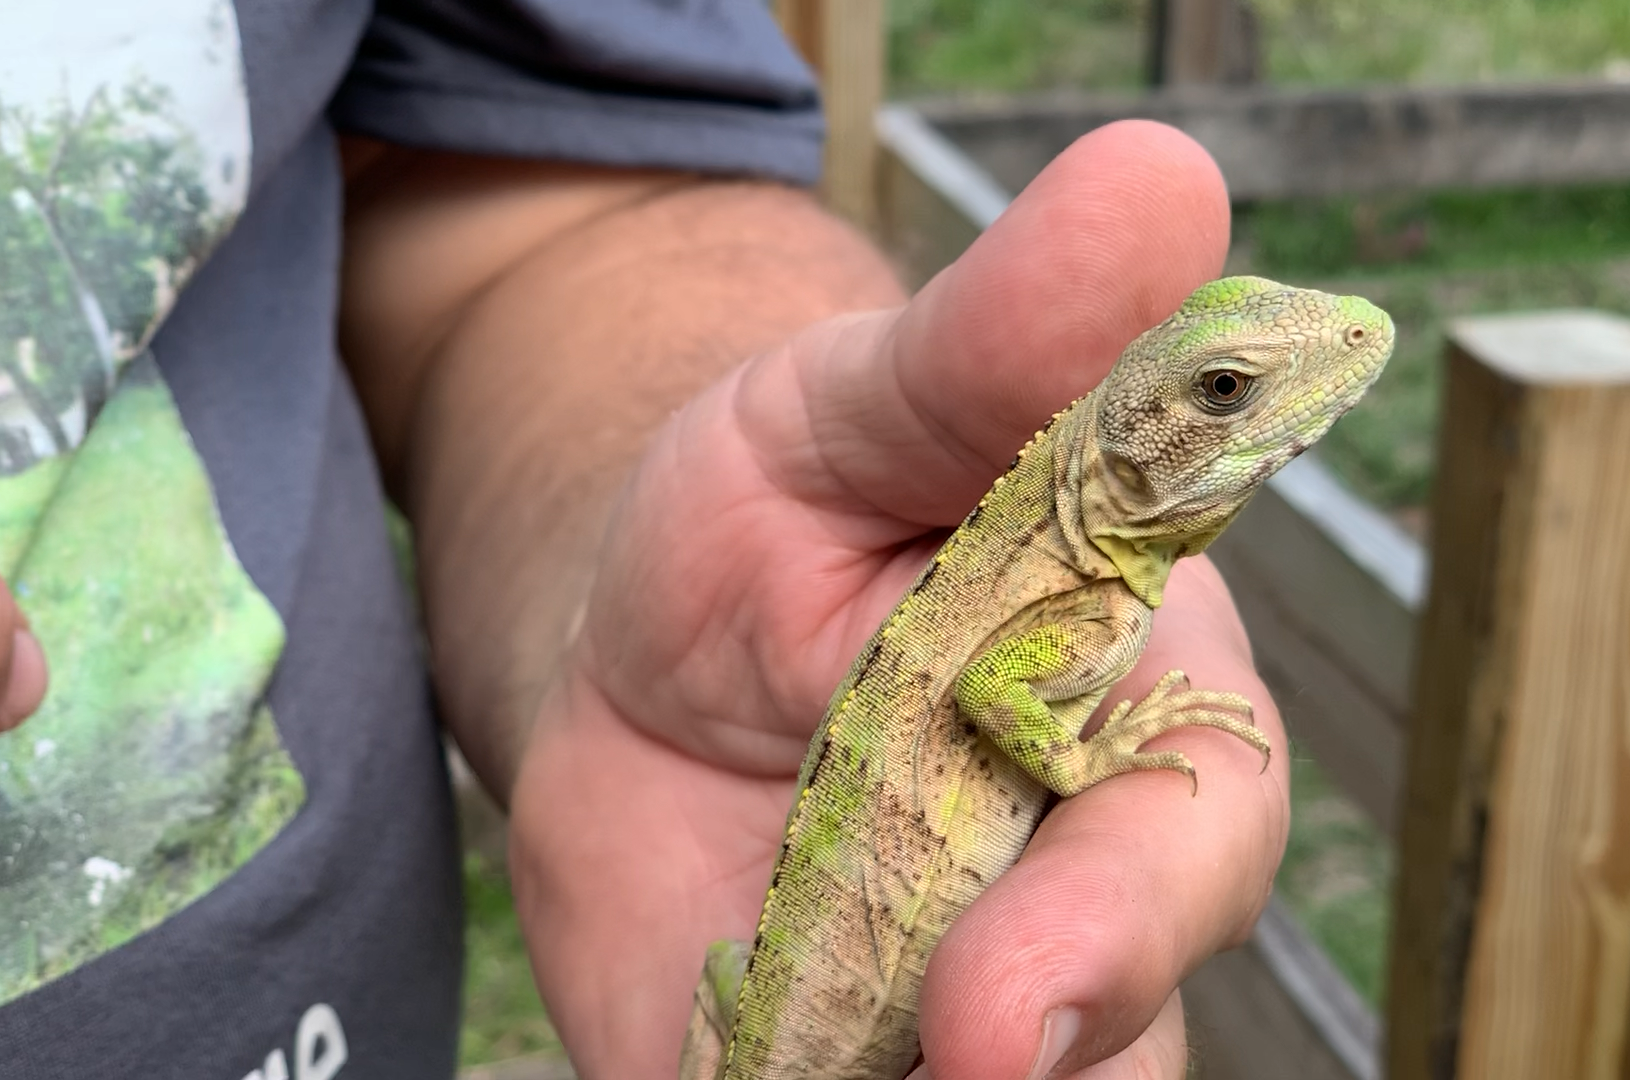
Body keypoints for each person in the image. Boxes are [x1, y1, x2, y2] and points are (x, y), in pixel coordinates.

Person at [0, 1, 1291, 1076]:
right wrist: (1098, 749)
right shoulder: (1068, 604)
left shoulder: (1087, 570)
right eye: (1225, 390)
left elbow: (540, 175)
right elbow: (1003, 687)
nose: (1316, 364)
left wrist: (665, 593)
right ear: (1133, 443)